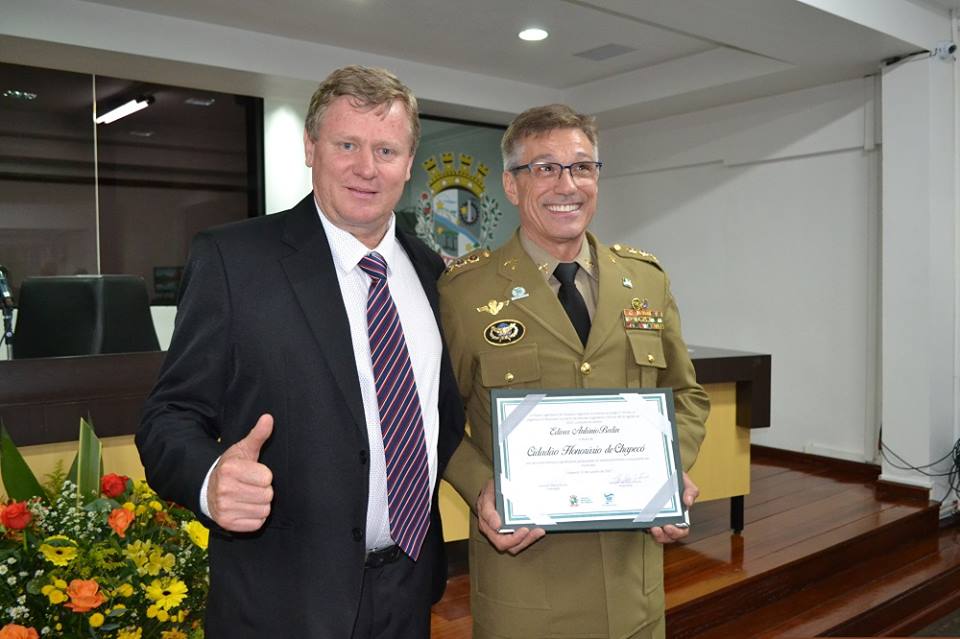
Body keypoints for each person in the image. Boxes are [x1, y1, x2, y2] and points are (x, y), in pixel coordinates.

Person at [137, 65, 465, 638]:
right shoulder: (234, 261)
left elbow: (443, 420)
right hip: (280, 600)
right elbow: (169, 416)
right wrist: (210, 477)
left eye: (386, 149)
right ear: (311, 148)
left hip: (410, 587)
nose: (367, 168)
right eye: (347, 145)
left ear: (409, 164)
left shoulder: (435, 275)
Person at [438, 104, 710, 639]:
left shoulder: (645, 280)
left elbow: (686, 395)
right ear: (512, 186)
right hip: (527, 587)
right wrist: (481, 488)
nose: (568, 184)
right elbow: (432, 417)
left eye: (582, 167)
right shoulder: (465, 294)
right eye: (544, 167)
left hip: (632, 581)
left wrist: (669, 470)